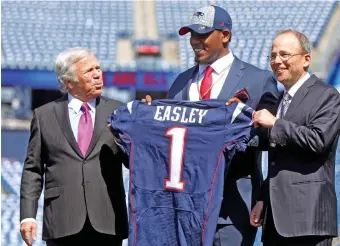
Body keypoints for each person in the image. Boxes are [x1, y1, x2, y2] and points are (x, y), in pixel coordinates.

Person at [144, 5, 279, 246]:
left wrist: (237, 128)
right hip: (184, 207)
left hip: (231, 209)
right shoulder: (180, 82)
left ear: (225, 35)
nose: (195, 41)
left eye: (203, 35)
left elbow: (272, 138)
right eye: (192, 35)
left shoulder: (258, 80)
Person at [19, 47, 128, 246]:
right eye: (89, 71)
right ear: (69, 82)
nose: (97, 74)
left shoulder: (119, 111)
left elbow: (133, 161)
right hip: (62, 223)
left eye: (98, 68)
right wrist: (28, 215)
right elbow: (32, 170)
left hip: (108, 221)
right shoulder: (44, 116)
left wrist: (142, 128)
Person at [250, 30, 340, 245]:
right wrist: (263, 198)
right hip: (275, 220)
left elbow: (318, 141)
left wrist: (275, 124)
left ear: (306, 59)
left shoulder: (326, 96)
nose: (277, 61)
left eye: (284, 55)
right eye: (273, 55)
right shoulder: (280, 99)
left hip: (308, 220)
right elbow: (279, 160)